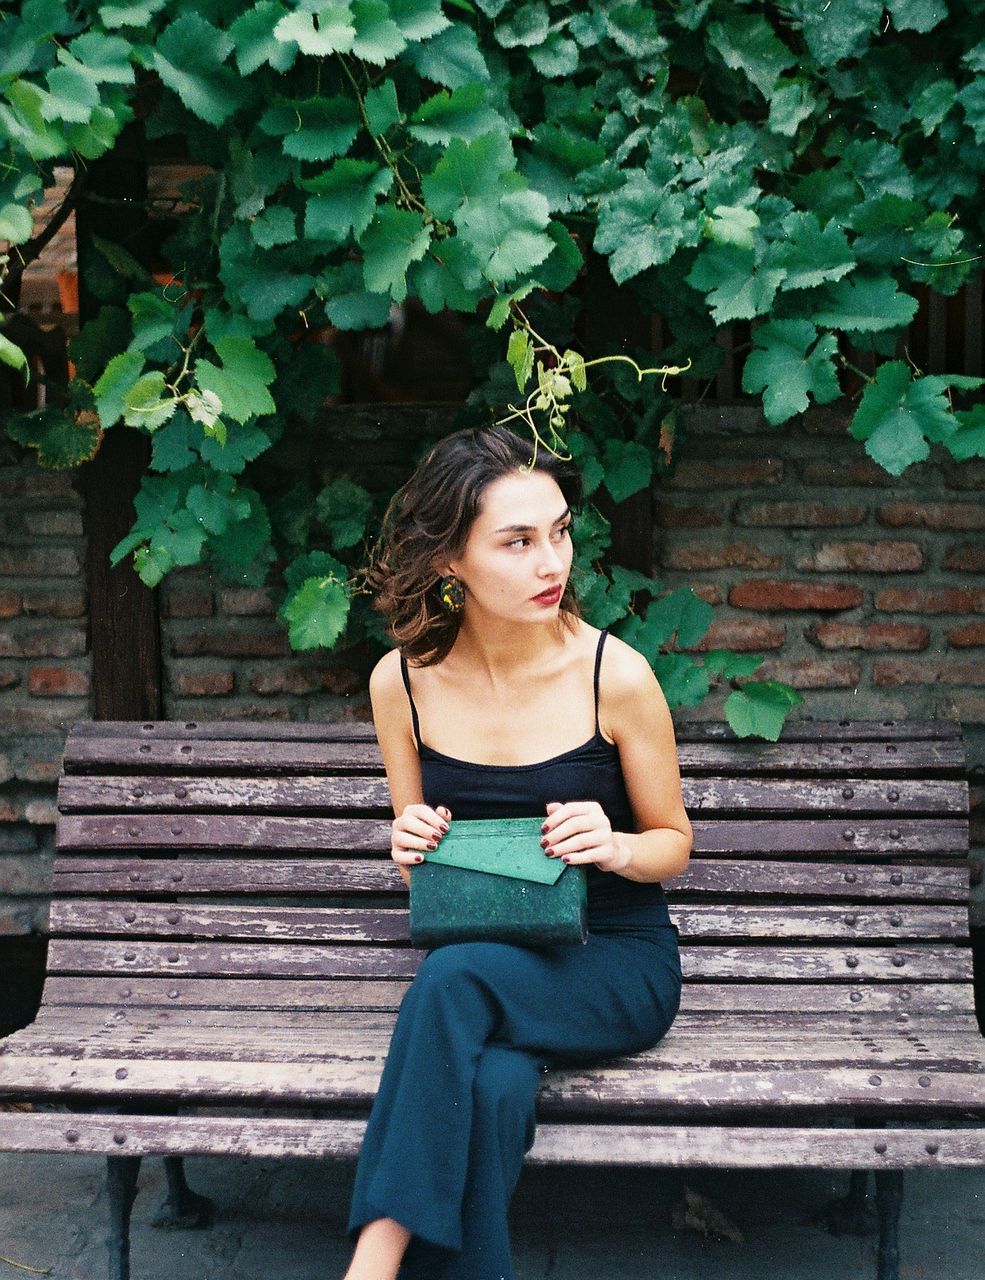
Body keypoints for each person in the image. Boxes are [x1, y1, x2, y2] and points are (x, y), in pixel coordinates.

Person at [343, 424, 692, 1280]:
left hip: (611, 964)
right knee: (495, 1088)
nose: (552, 563)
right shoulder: (402, 682)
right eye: (517, 542)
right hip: (487, 962)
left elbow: (674, 846)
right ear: (449, 560)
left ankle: (371, 1261)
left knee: (451, 979)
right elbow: (424, 872)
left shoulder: (615, 673)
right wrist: (410, 839)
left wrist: (613, 846)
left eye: (560, 532)